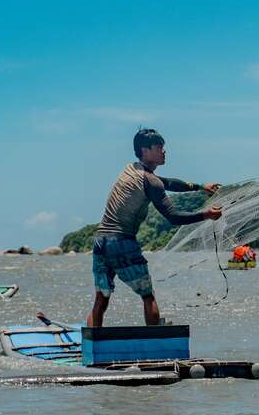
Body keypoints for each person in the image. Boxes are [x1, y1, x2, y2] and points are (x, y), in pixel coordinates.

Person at [89, 128, 222, 328]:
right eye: (159, 147)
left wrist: (200, 186)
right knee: (147, 296)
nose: (164, 151)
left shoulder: (132, 169)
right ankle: (156, 342)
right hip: (121, 241)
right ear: (145, 150)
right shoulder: (150, 180)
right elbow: (174, 217)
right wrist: (206, 215)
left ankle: (93, 343)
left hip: (101, 240)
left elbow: (167, 183)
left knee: (101, 297)